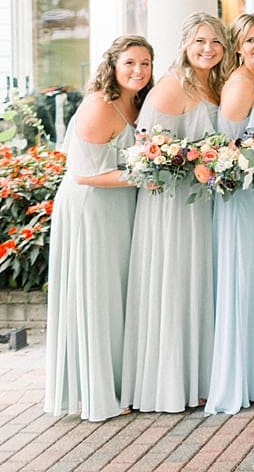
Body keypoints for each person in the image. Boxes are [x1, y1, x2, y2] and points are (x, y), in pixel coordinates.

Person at [122, 13, 229, 412]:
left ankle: (200, 376)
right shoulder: (171, 87)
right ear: (185, 44)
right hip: (172, 207)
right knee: (177, 282)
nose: (208, 49)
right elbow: (149, 153)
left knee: (199, 283)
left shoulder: (214, 83)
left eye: (215, 42)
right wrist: (193, 162)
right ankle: (170, 383)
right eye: (200, 41)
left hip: (202, 202)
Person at [44, 35, 153, 422]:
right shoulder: (98, 104)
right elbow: (84, 174)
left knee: (117, 294)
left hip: (118, 207)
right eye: (130, 63)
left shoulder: (138, 102)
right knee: (98, 294)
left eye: (145, 63)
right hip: (90, 209)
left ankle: (121, 381)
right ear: (113, 65)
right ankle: (99, 391)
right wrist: (145, 176)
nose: (138, 70)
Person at [207, 13, 254, 415]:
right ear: (237, 47)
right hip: (239, 198)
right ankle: (240, 378)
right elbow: (223, 148)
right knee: (243, 278)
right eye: (249, 40)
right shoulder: (241, 84)